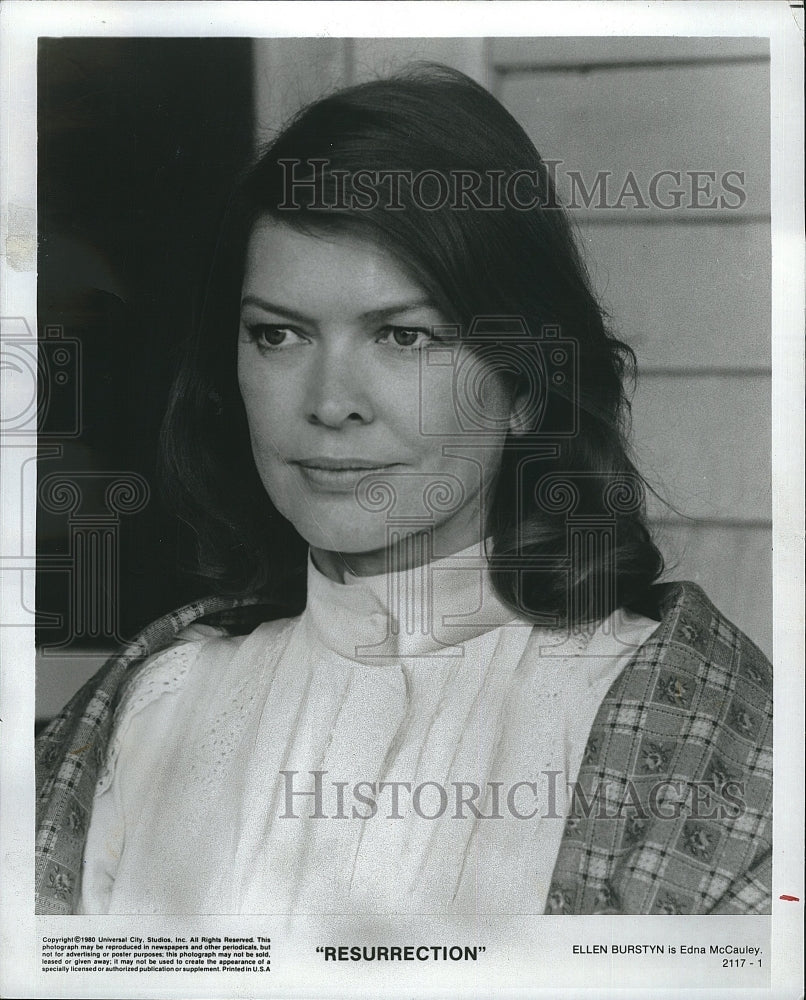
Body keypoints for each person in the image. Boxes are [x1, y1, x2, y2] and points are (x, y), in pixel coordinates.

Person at [35, 64, 772, 916]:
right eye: (278, 334)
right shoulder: (159, 705)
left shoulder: (678, 730)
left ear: (529, 384)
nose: (329, 402)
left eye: (402, 336)